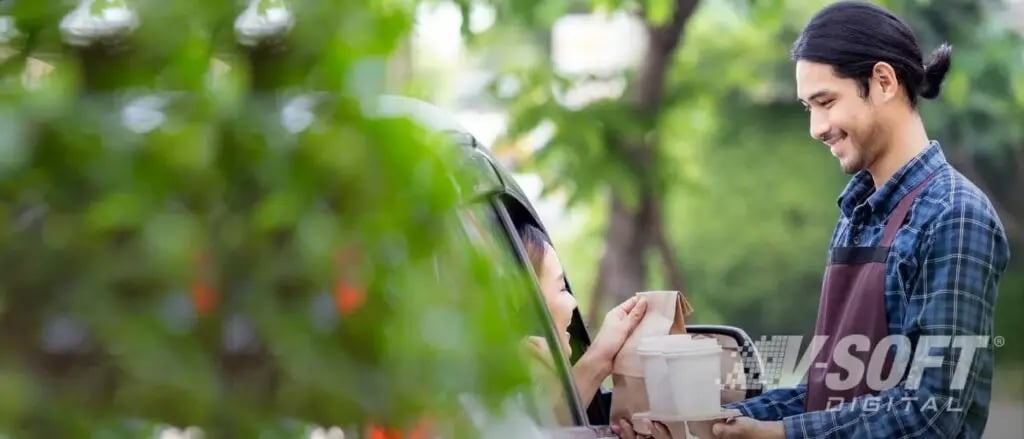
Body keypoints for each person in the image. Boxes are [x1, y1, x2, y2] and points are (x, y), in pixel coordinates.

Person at [710, 2, 1011, 439]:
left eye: (826, 101)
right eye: (807, 107)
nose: (816, 127)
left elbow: (933, 412)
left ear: (883, 82)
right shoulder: (858, 214)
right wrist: (720, 420)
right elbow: (830, 392)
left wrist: (779, 435)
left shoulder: (954, 214)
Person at [517, 223, 649, 410]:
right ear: (528, 307)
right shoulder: (518, 394)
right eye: (562, 288)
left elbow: (559, 423)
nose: (573, 302)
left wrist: (601, 358)